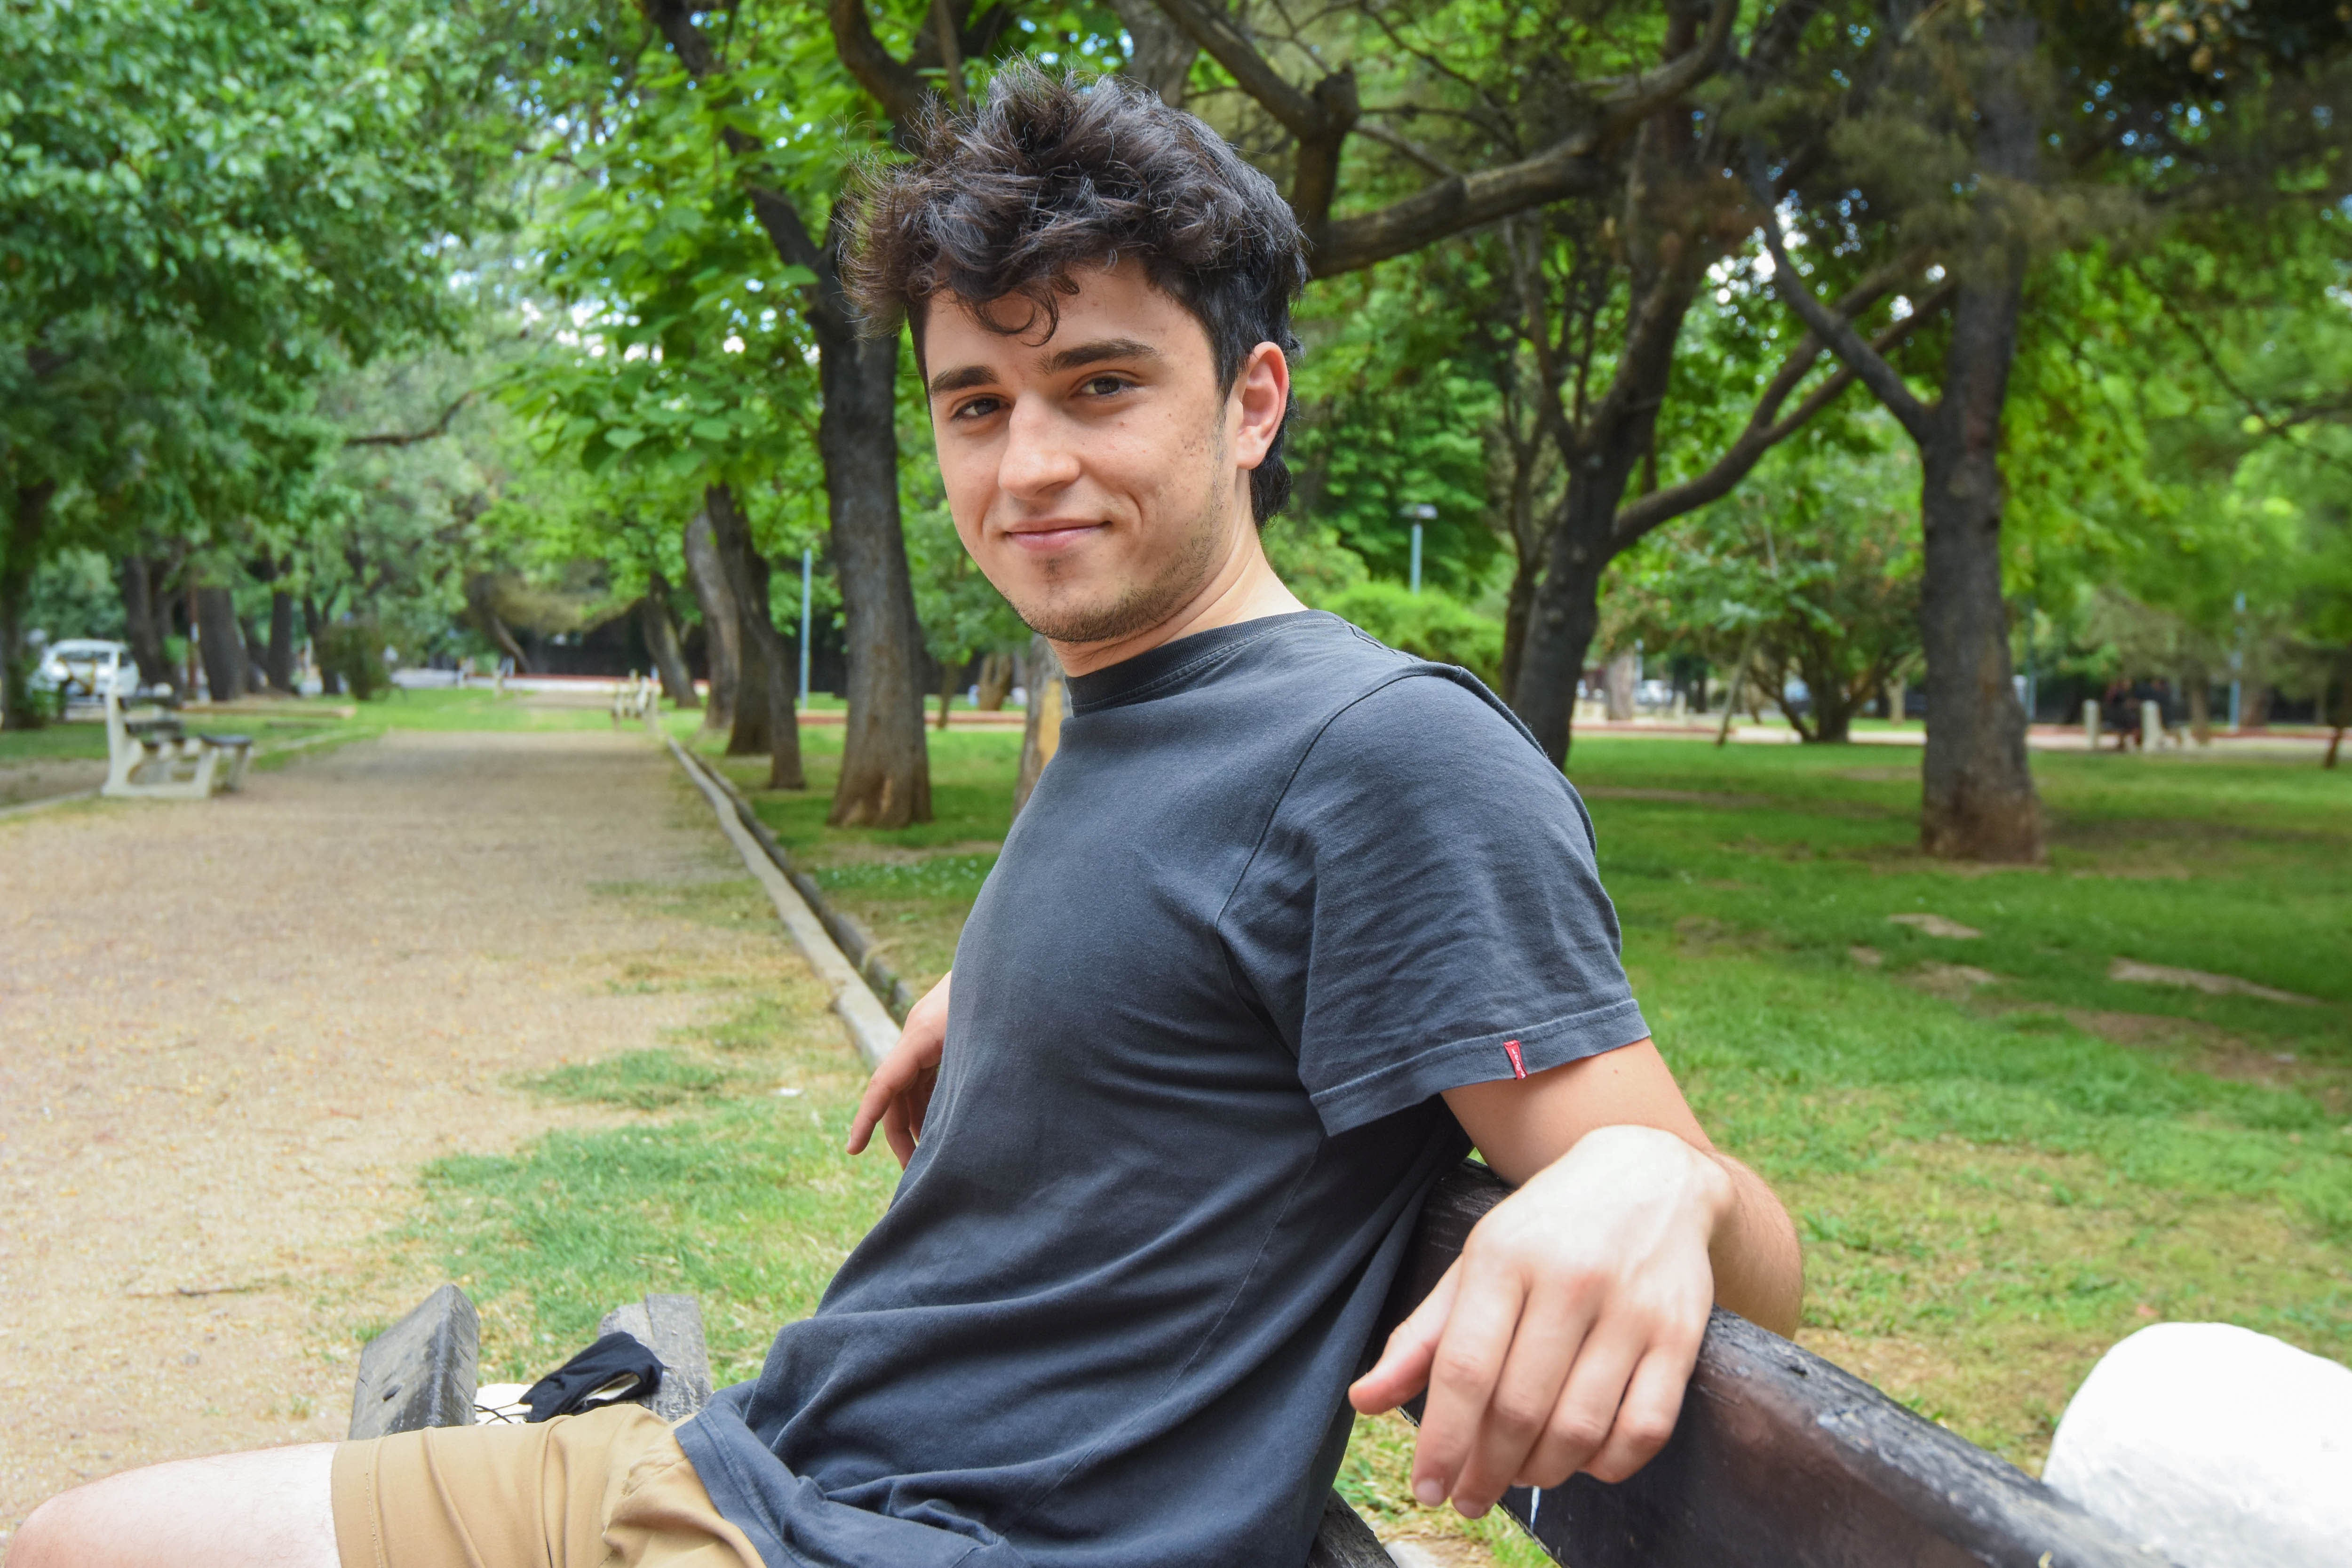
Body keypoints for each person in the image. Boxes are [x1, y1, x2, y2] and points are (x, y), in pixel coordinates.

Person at [13, 67, 1800, 1568]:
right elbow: (1205, 956)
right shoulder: (1124, 709)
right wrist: (1023, 1003)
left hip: (896, 1541)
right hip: (789, 1468)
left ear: (1253, 401)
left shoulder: (1389, 755)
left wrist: (1657, 1176)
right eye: (977, 404)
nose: (1028, 464)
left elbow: (1747, 1263)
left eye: (1103, 385)